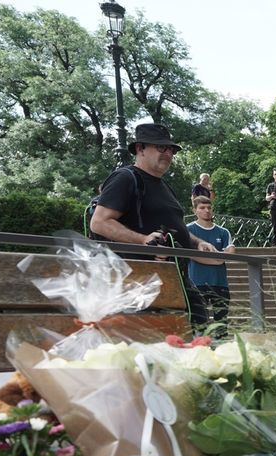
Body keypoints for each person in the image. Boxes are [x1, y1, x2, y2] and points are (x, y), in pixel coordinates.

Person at [89, 123, 220, 332]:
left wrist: (198, 242)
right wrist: (142, 240)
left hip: (174, 277)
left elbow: (175, 229)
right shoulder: (125, 178)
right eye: (161, 148)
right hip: (140, 282)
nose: (168, 154)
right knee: (162, 344)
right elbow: (99, 222)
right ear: (140, 148)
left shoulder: (165, 185)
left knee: (200, 335)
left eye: (171, 150)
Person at [186, 196, 235, 336]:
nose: (206, 211)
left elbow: (230, 252)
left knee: (222, 326)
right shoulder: (188, 230)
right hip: (196, 283)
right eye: (202, 208)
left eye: (209, 207)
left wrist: (218, 259)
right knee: (198, 326)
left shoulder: (223, 231)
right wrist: (218, 260)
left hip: (220, 283)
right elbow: (192, 255)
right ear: (194, 210)